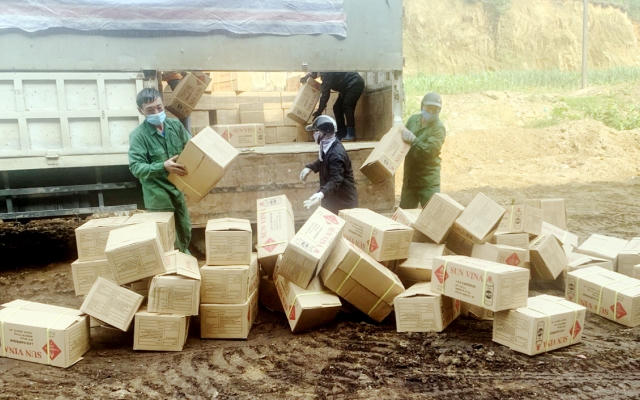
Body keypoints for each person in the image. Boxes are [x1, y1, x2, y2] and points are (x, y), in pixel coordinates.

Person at [128, 88, 192, 253]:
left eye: (159, 107)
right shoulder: (138, 136)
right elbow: (136, 167)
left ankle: (184, 259)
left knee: (184, 229)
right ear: (141, 111)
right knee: (168, 237)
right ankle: (176, 263)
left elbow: (192, 149)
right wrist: (162, 166)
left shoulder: (175, 126)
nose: (156, 113)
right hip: (157, 194)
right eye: (150, 110)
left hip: (177, 189)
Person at [299, 115, 358, 214]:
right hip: (333, 198)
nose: (314, 134)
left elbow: (336, 179)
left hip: (343, 202)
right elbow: (323, 160)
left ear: (325, 133)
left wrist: (321, 194)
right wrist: (310, 168)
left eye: (316, 131)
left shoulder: (336, 154)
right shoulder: (329, 144)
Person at [399, 92, 446, 209]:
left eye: (435, 110)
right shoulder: (413, 120)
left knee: (432, 214)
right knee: (405, 214)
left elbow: (430, 152)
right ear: (422, 107)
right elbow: (402, 142)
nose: (431, 112)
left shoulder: (439, 128)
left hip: (428, 180)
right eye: (429, 108)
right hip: (410, 179)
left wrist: (414, 140)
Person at [301, 72, 364, 141]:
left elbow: (325, 95)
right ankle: (341, 132)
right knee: (337, 108)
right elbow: (314, 73)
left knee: (347, 106)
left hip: (355, 83)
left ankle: (351, 133)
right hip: (346, 88)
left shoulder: (326, 74)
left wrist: (319, 111)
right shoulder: (323, 70)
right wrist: (306, 78)